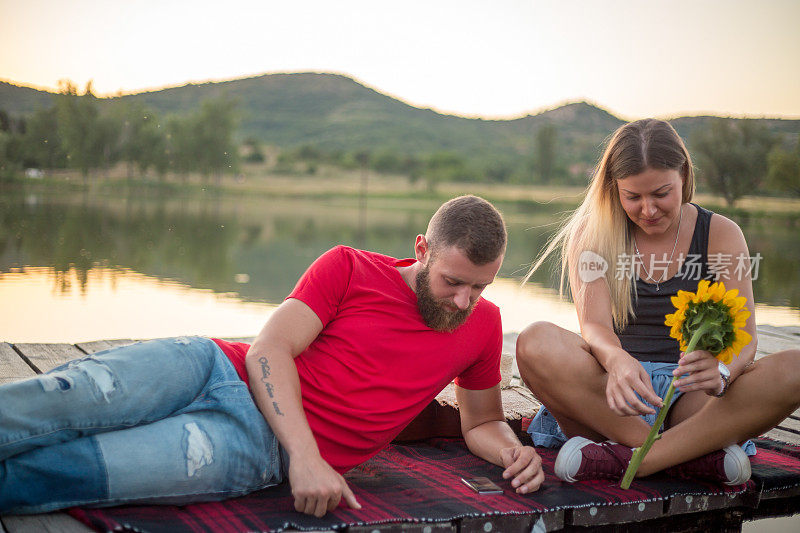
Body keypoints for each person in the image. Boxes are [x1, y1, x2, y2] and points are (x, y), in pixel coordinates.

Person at [0, 195, 544, 516]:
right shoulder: (349, 267)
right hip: (212, 367)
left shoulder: (483, 325)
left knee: (77, 469)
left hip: (254, 446)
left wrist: (509, 453)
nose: (464, 301)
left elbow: (483, 421)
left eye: (480, 287)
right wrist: (308, 458)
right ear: (422, 249)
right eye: (453, 282)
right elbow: (271, 348)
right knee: (55, 400)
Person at [516, 119, 800, 485]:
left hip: (694, 398)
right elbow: (595, 326)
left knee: (795, 368)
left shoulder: (720, 234)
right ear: (614, 188)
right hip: (613, 397)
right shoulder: (593, 232)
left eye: (661, 194)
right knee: (534, 340)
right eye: (632, 197)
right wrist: (617, 361)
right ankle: (689, 456)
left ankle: (631, 460)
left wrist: (723, 372)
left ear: (683, 174)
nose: (648, 209)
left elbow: (744, 334)